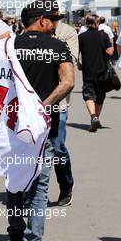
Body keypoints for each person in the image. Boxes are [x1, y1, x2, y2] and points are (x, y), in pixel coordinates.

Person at [7, 0, 74, 241]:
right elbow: (68, 82)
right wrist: (42, 106)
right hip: (44, 124)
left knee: (14, 178)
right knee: (40, 185)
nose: (56, 24)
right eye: (54, 19)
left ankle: (15, 230)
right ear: (42, 20)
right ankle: (33, 237)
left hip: (14, 124)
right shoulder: (57, 46)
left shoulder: (9, 45)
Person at [54, 22, 79, 206]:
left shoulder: (67, 32)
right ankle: (31, 190)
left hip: (59, 100)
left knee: (57, 147)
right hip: (33, 101)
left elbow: (71, 61)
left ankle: (66, 185)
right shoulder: (31, 30)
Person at [79, 15, 113, 132]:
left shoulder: (81, 37)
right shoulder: (104, 35)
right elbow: (110, 51)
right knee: (100, 96)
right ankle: (96, 118)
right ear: (97, 23)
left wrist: (79, 63)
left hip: (88, 71)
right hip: (102, 70)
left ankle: (94, 117)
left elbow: (75, 52)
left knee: (88, 94)